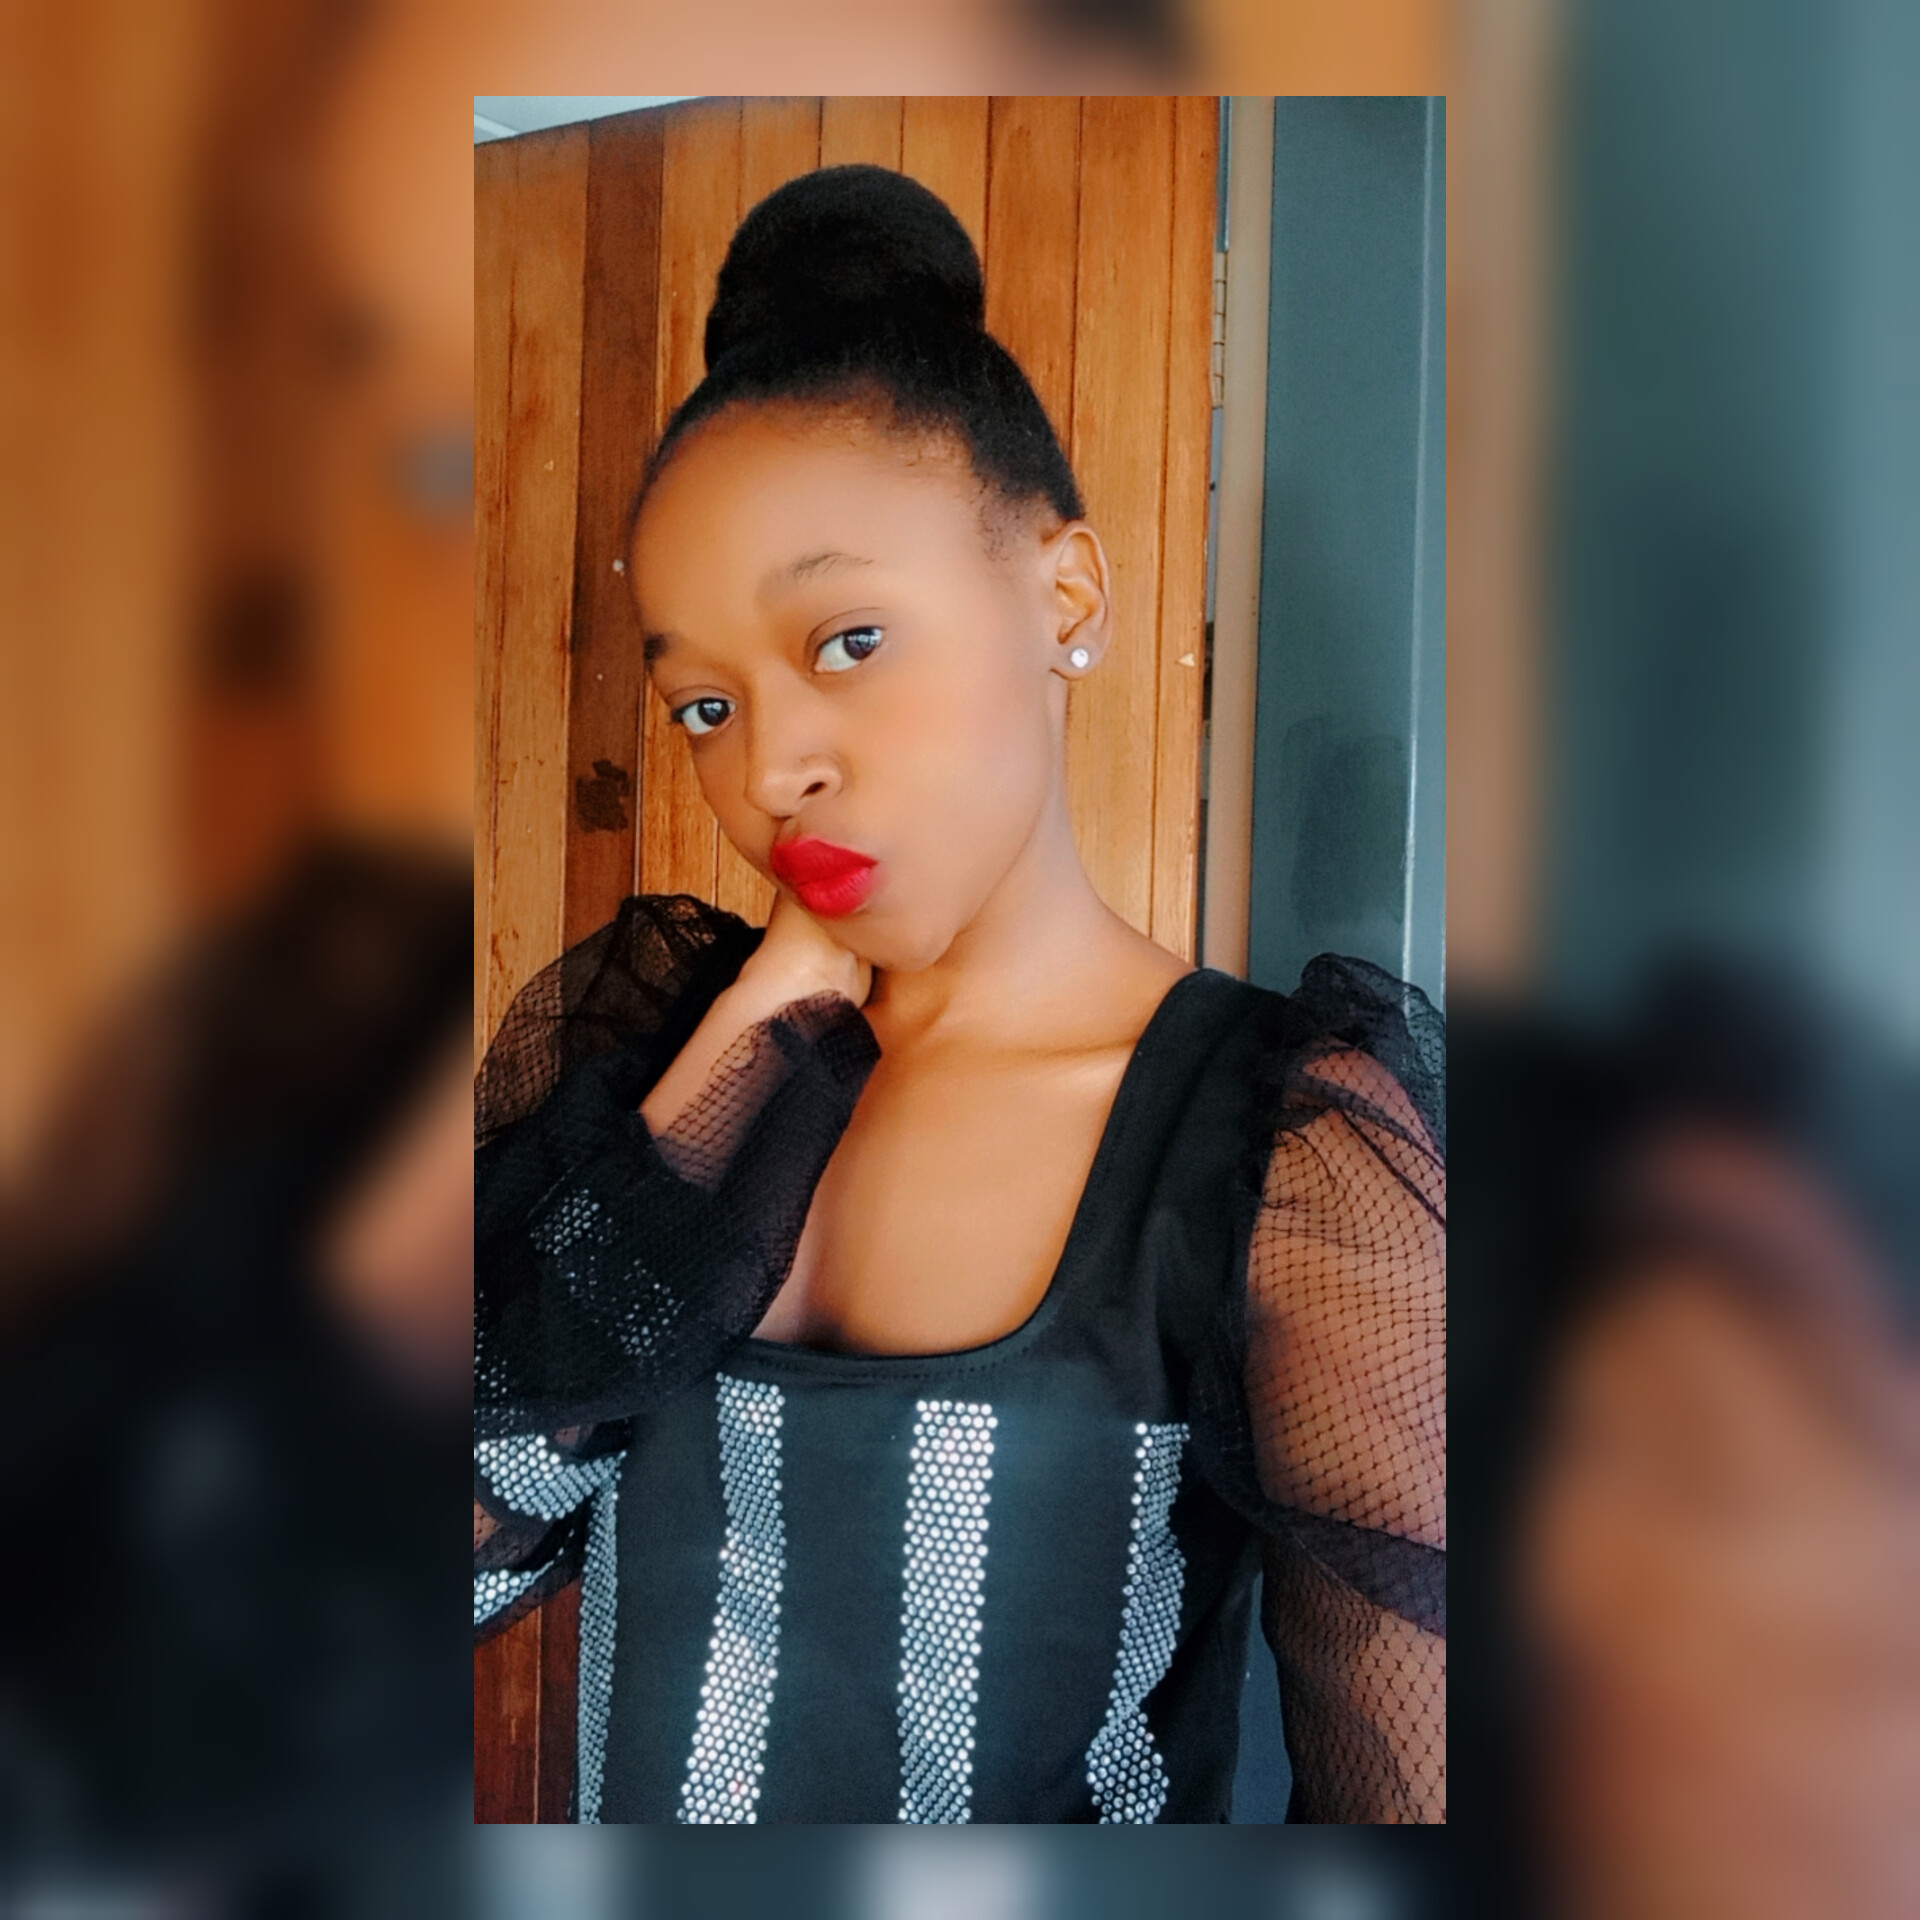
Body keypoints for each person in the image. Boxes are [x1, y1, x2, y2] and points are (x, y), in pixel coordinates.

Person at [472, 165, 1445, 1824]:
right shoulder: (658, 1090)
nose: (769, 767)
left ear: (1064, 598)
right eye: (704, 706)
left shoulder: (1278, 1146)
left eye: (849, 641)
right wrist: (737, 1054)